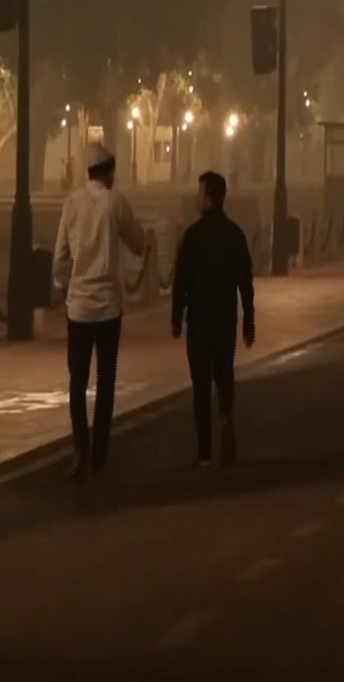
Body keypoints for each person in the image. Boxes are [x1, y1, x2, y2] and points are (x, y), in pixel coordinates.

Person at [52, 142, 148, 478]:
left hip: (78, 308)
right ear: (108, 173)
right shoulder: (115, 203)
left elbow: (60, 257)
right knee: (106, 381)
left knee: (77, 382)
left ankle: (80, 447)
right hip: (108, 308)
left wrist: (65, 287)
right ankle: (100, 451)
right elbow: (137, 242)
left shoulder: (72, 203)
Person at [171, 171, 255, 467]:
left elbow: (181, 279)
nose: (196, 197)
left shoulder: (192, 236)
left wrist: (175, 317)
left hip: (199, 320)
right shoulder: (235, 234)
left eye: (199, 192)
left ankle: (205, 452)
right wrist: (249, 319)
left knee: (201, 385)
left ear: (207, 196)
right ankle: (227, 416)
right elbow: (245, 279)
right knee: (224, 374)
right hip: (225, 317)